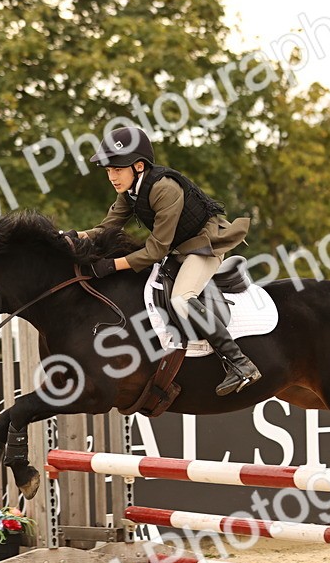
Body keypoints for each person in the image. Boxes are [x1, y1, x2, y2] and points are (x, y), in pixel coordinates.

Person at [76, 126, 260, 396]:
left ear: (139, 166)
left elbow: (155, 250)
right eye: (108, 171)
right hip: (179, 249)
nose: (112, 177)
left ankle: (240, 363)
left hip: (205, 245)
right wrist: (73, 236)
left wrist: (112, 265)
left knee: (181, 299)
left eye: (117, 169)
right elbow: (107, 229)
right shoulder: (130, 192)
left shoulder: (164, 189)